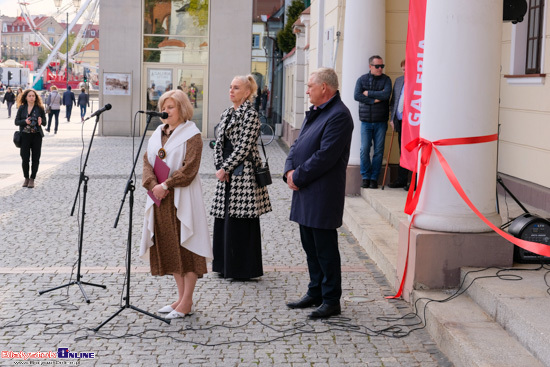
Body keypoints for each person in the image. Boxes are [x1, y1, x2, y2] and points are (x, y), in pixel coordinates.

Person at [284, 68, 353, 319]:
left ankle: (331, 299)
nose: (307, 90)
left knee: (324, 248)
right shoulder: (315, 112)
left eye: (310, 86)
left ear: (324, 87)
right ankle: (315, 291)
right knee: (309, 246)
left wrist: (298, 176)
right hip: (305, 190)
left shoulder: (339, 116)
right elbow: (297, 145)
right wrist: (288, 171)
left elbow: (325, 156)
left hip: (323, 193)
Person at [140, 89, 212, 320]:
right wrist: (152, 185)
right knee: (171, 247)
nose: (166, 111)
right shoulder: (158, 134)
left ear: (182, 109)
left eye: (171, 107)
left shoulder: (192, 135)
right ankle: (180, 298)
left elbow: (190, 168)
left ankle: (187, 301)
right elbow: (146, 162)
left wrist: (166, 185)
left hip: (182, 198)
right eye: (164, 106)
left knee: (186, 248)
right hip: (160, 199)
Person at [210, 75, 272, 280]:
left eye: (236, 88)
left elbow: (244, 147)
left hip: (244, 173)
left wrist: (225, 167)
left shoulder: (251, 115)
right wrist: (220, 167)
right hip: (226, 173)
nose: (231, 90)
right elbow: (218, 143)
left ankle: (243, 268)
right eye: (230, 86)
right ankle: (224, 265)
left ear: (247, 93)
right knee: (224, 217)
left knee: (241, 219)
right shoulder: (227, 113)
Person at [354, 55, 392, 189]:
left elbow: (386, 95)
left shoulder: (386, 80)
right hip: (366, 121)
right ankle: (365, 177)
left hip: (381, 121)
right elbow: (356, 95)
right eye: (377, 66)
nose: (380, 68)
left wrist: (368, 93)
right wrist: (374, 99)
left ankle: (374, 178)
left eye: (382, 66)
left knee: (378, 151)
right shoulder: (362, 79)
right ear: (370, 66)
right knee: (364, 149)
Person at [14, 89, 47, 188]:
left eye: (33, 96)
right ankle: (26, 178)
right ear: (26, 97)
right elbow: (16, 122)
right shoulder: (22, 108)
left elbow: (45, 122)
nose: (32, 97)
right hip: (25, 136)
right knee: (25, 158)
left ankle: (32, 178)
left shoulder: (39, 108)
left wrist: (41, 121)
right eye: (30, 96)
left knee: (36, 158)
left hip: (36, 136)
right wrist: (25, 121)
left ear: (36, 97)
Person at [388, 59, 411, 189]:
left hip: (412, 122)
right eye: (403, 69)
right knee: (402, 150)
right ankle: (401, 179)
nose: (405, 71)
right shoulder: (398, 81)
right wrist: (392, 119)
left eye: (407, 68)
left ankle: (413, 181)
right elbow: (394, 102)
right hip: (399, 120)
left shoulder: (418, 82)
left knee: (412, 150)